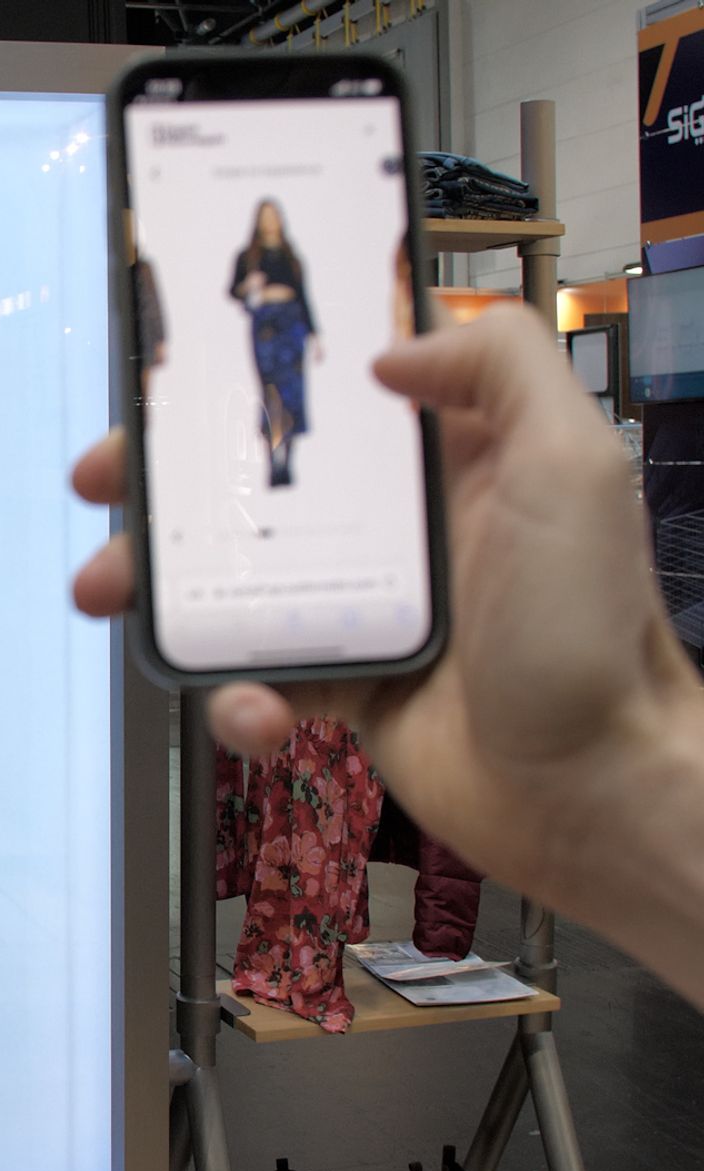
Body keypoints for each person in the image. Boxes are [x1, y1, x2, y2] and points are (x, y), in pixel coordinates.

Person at [72, 304, 704, 1009]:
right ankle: (303, 954)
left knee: (311, 796)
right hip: (320, 618)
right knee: (303, 791)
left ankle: (314, 956)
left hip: (348, 620)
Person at [229, 198, 322, 487]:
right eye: (265, 216)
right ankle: (272, 461)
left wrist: (314, 334)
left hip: (291, 324)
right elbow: (234, 290)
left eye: (274, 215)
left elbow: (303, 296)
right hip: (266, 326)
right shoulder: (248, 256)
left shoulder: (291, 256)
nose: (270, 221)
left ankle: (288, 462)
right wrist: (248, 286)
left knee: (293, 394)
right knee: (271, 394)